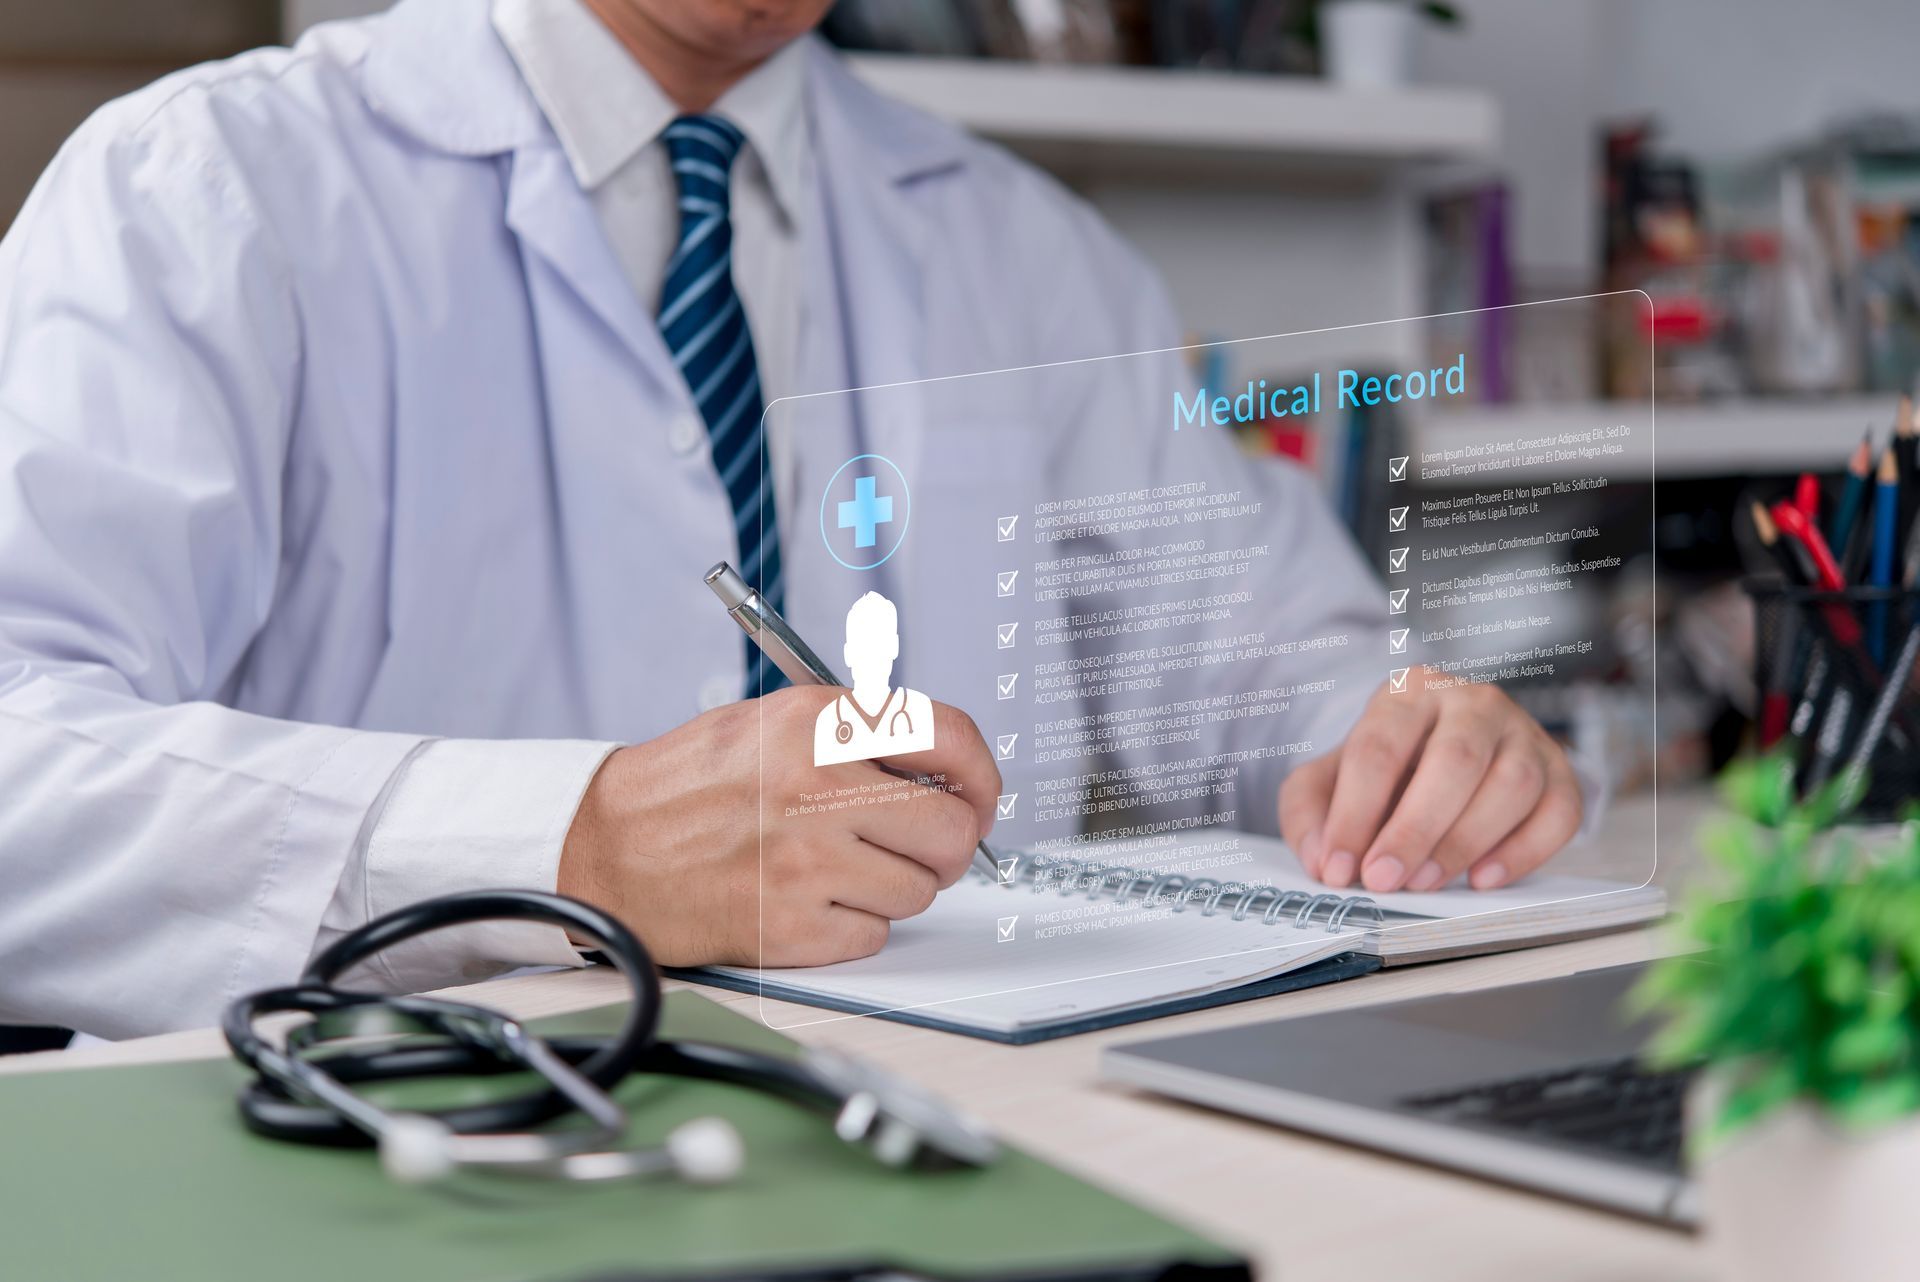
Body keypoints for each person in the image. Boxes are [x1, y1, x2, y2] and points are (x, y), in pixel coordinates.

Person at [0, 0, 1584, 1040]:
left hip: (962, 1150)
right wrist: (567, 845)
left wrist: (1397, 744)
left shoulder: (1030, 250)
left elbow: (1262, 670)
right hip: (385, 1158)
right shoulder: (201, 189)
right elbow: (23, 777)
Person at [814, 592, 935, 767]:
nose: (871, 655)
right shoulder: (826, 720)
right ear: (847, 653)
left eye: (879, 643)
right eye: (863, 644)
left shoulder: (921, 713)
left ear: (894, 647)